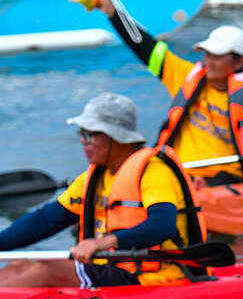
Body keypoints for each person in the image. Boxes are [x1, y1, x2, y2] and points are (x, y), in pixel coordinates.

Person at [73, 0, 243, 188]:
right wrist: (112, 12)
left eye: (217, 56)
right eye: (207, 54)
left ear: (238, 61)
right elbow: (146, 47)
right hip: (178, 173)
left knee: (213, 183)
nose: (209, 61)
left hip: (224, 178)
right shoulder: (186, 76)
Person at [0, 93, 206, 288]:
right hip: (112, 267)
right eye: (82, 135)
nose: (83, 143)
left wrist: (103, 243)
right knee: (21, 264)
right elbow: (45, 220)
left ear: (112, 136)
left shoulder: (154, 171)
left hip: (152, 276)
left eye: (88, 135)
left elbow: (163, 225)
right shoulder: (96, 176)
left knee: (48, 271)